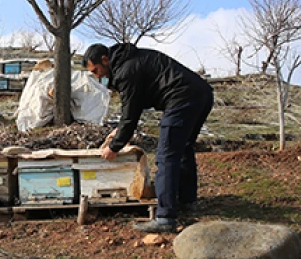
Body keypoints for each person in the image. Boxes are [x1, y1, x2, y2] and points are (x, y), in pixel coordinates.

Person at [82, 42, 214, 233]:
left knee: (166, 155)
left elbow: (130, 114)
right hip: (201, 93)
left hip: (181, 97)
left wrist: (114, 147)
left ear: (105, 60)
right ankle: (187, 201)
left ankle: (165, 217)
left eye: (96, 70)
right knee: (183, 148)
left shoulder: (126, 70)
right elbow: (133, 107)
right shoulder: (130, 60)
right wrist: (119, 131)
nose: (97, 76)